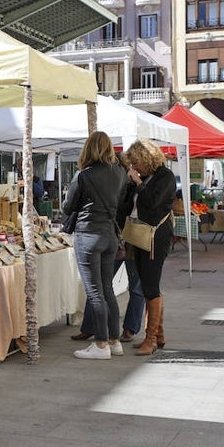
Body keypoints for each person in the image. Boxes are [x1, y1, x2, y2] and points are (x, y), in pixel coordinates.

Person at [61, 131, 126, 360]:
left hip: (88, 234)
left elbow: (68, 207)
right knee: (107, 289)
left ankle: (100, 345)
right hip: (109, 234)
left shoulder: (83, 175)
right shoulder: (120, 172)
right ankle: (114, 340)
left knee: (95, 292)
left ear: (88, 148)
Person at [72, 154, 145, 345]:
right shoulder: (115, 180)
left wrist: (138, 183)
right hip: (115, 236)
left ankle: (129, 329)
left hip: (135, 239)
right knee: (101, 286)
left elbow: (149, 205)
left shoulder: (142, 183)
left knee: (133, 287)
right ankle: (91, 328)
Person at [119, 139, 176, 355]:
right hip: (138, 235)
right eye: (131, 164)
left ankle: (150, 339)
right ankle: (158, 335)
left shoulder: (165, 177)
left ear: (146, 158)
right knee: (146, 285)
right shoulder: (143, 177)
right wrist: (131, 184)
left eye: (136, 163)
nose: (134, 168)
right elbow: (126, 205)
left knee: (150, 286)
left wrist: (139, 184)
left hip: (155, 238)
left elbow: (153, 203)